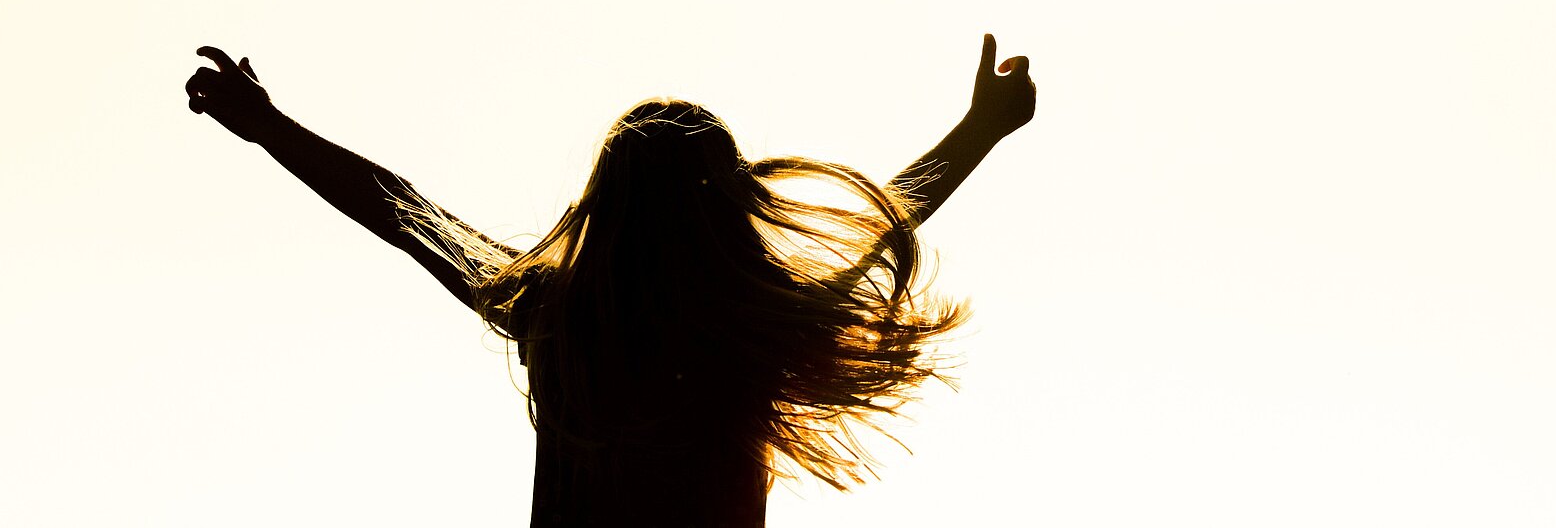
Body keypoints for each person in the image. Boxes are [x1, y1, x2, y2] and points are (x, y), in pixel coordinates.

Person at [183, 35, 1036, 526]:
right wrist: (981, 129)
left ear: (606, 203)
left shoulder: (556, 312)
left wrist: (269, 126)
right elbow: (886, 220)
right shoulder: (751, 326)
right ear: (730, 207)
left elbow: (401, 211)